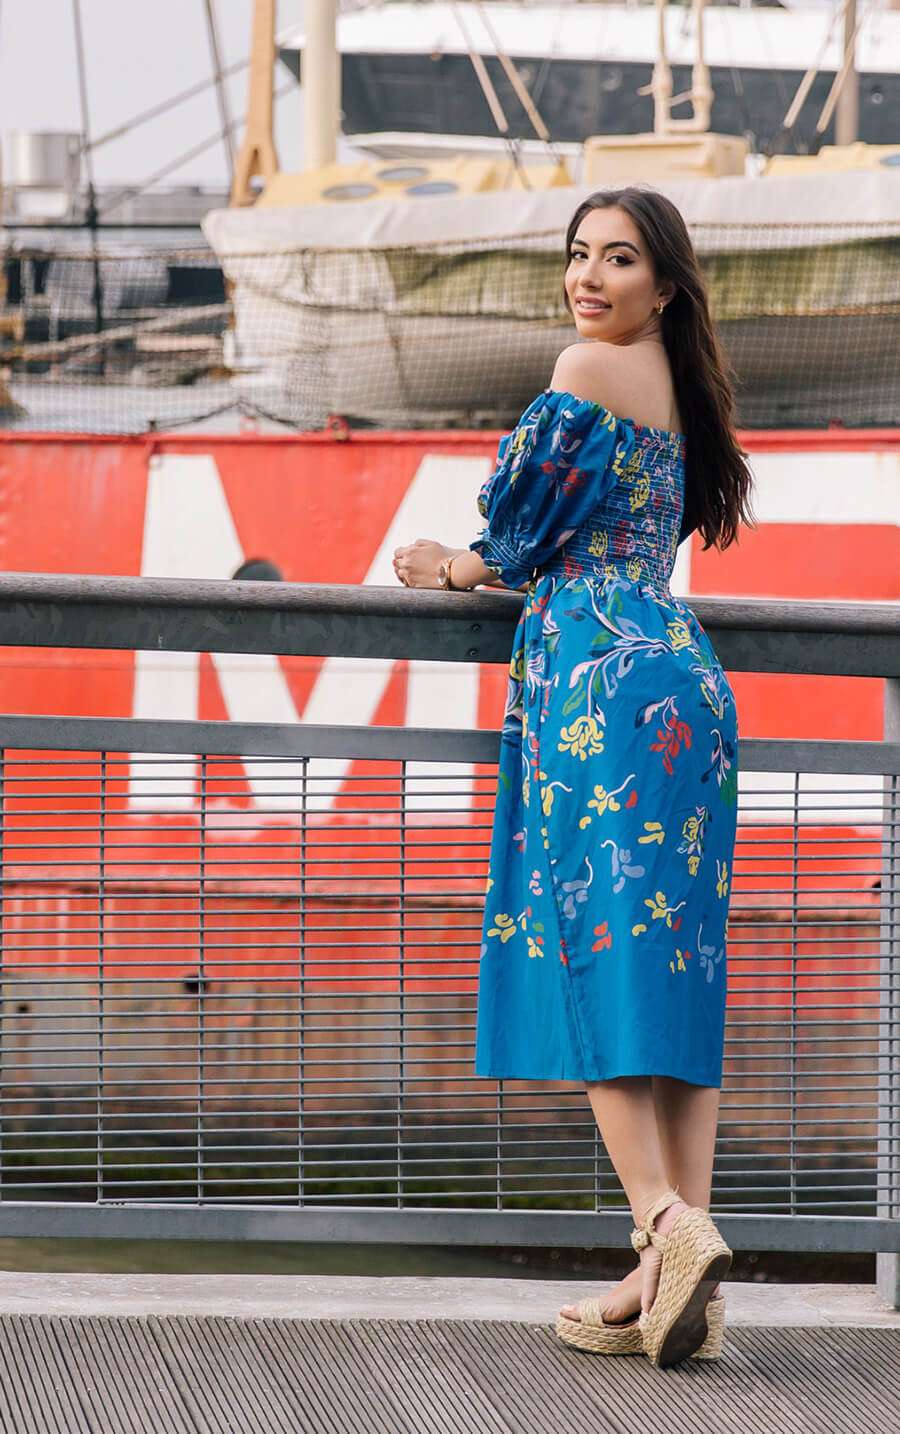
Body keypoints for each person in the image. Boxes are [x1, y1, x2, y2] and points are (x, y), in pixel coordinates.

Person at [393, 186, 754, 1367]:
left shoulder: (585, 370)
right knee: (676, 969)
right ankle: (669, 1285)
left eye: (619, 259)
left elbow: (518, 535)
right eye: (578, 254)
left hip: (597, 686)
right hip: (686, 685)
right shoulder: (684, 391)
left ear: (666, 284)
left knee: (588, 954)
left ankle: (665, 1224)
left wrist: (450, 565)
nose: (588, 277)